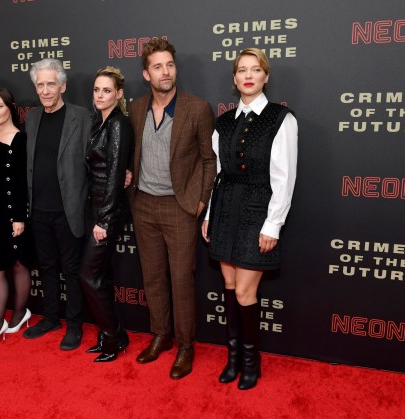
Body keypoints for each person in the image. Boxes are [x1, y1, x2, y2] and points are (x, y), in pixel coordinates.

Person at [202, 47, 298, 390]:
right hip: (225, 208)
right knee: (229, 287)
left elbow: (284, 178)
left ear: (265, 76)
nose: (248, 75)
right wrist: (209, 215)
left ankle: (250, 363)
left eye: (255, 69)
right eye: (241, 69)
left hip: (258, 210)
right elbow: (216, 172)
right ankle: (232, 359)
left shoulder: (281, 119)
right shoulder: (224, 122)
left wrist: (273, 224)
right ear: (234, 78)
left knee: (245, 292)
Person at [128, 40, 216, 379]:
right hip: (143, 205)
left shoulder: (197, 108)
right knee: (152, 278)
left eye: (170, 65)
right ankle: (161, 335)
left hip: (180, 207)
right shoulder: (136, 108)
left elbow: (210, 160)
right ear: (146, 73)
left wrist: (200, 200)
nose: (166, 72)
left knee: (181, 279)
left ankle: (185, 345)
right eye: (158, 67)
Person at [22, 58, 91, 351]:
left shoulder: (82, 117)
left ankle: (74, 325)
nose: (46, 90)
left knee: (72, 270)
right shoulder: (32, 118)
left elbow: (95, 161)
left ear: (62, 85)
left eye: (52, 84)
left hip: (69, 210)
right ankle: (51, 317)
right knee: (48, 268)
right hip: (38, 210)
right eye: (41, 84)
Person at [79, 66, 134, 362]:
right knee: (99, 274)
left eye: (107, 90)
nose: (100, 95)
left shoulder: (118, 125)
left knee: (88, 274)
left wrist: (104, 220)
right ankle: (108, 333)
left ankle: (115, 334)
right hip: (94, 207)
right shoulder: (98, 122)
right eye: (97, 90)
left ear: (119, 94)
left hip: (106, 211)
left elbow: (114, 176)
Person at [0, 88, 36, 351]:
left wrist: (19, 217)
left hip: (19, 215)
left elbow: (26, 181)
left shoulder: (25, 139)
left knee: (19, 266)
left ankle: (20, 313)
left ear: (10, 107)